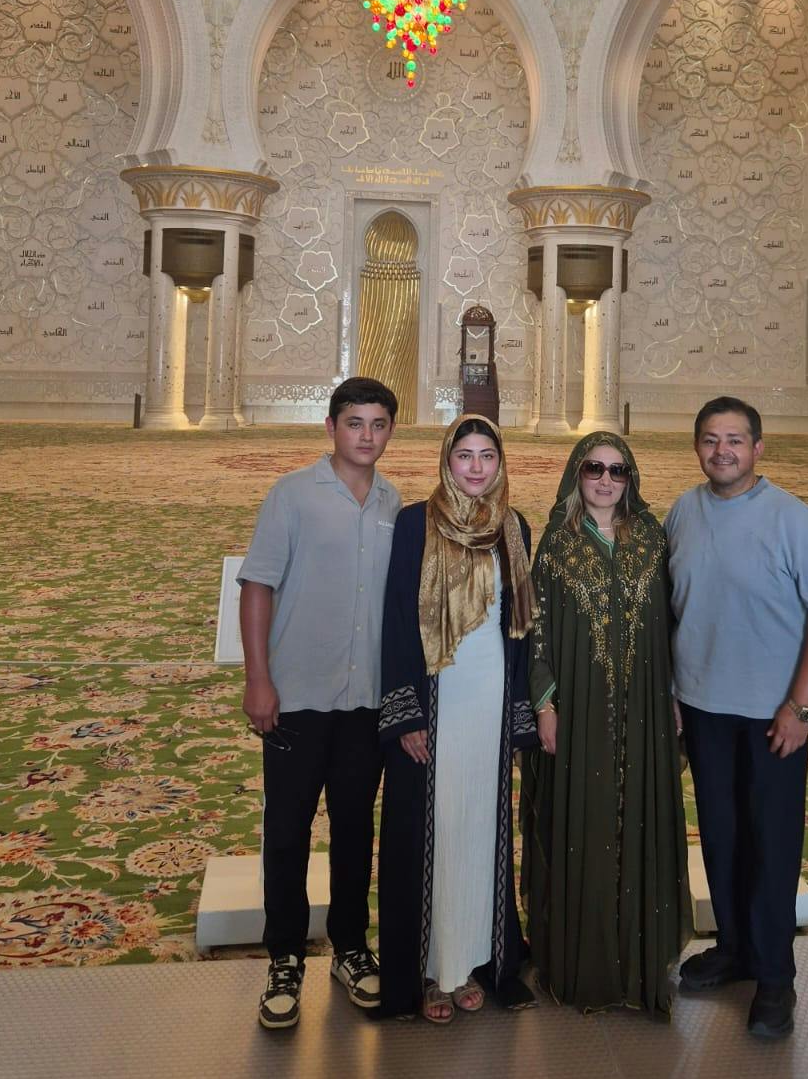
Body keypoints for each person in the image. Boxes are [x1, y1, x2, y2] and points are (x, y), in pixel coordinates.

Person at [667, 396, 808, 1041]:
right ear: (698, 449)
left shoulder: (795, 520)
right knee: (720, 837)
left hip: (774, 717)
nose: (723, 452)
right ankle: (737, 950)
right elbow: (672, 606)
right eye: (711, 440)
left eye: (735, 441)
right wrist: (672, 693)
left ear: (758, 448)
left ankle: (775, 978)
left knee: (772, 849)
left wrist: (800, 707)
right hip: (702, 709)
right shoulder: (682, 512)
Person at [238, 376, 401, 1031]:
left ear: (391, 431)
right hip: (298, 698)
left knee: (357, 829)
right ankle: (284, 957)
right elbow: (257, 588)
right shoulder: (292, 497)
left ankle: (350, 947)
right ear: (331, 428)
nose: (366, 435)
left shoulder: (394, 503)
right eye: (354, 422)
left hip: (365, 702)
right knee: (287, 832)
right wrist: (259, 679)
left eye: (379, 424)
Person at [376, 414, 538, 1022]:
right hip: (435, 700)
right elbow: (396, 620)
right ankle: (428, 970)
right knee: (431, 829)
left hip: (488, 704)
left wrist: (519, 712)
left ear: (500, 463)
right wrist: (407, 713)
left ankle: (473, 961)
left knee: (480, 826)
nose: (475, 467)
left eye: (486, 455)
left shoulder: (514, 528)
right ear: (447, 460)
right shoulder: (415, 523)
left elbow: (521, 630)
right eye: (464, 455)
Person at [522, 434, 689, 1014]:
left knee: (639, 821)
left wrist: (671, 694)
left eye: (618, 471)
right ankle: (583, 968)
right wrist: (545, 704)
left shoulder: (651, 539)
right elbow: (535, 628)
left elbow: (671, 625)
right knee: (583, 827)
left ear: (631, 478)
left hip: (643, 707)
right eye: (594, 468)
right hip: (581, 712)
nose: (605, 480)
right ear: (577, 473)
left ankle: (639, 970)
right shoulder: (557, 545)